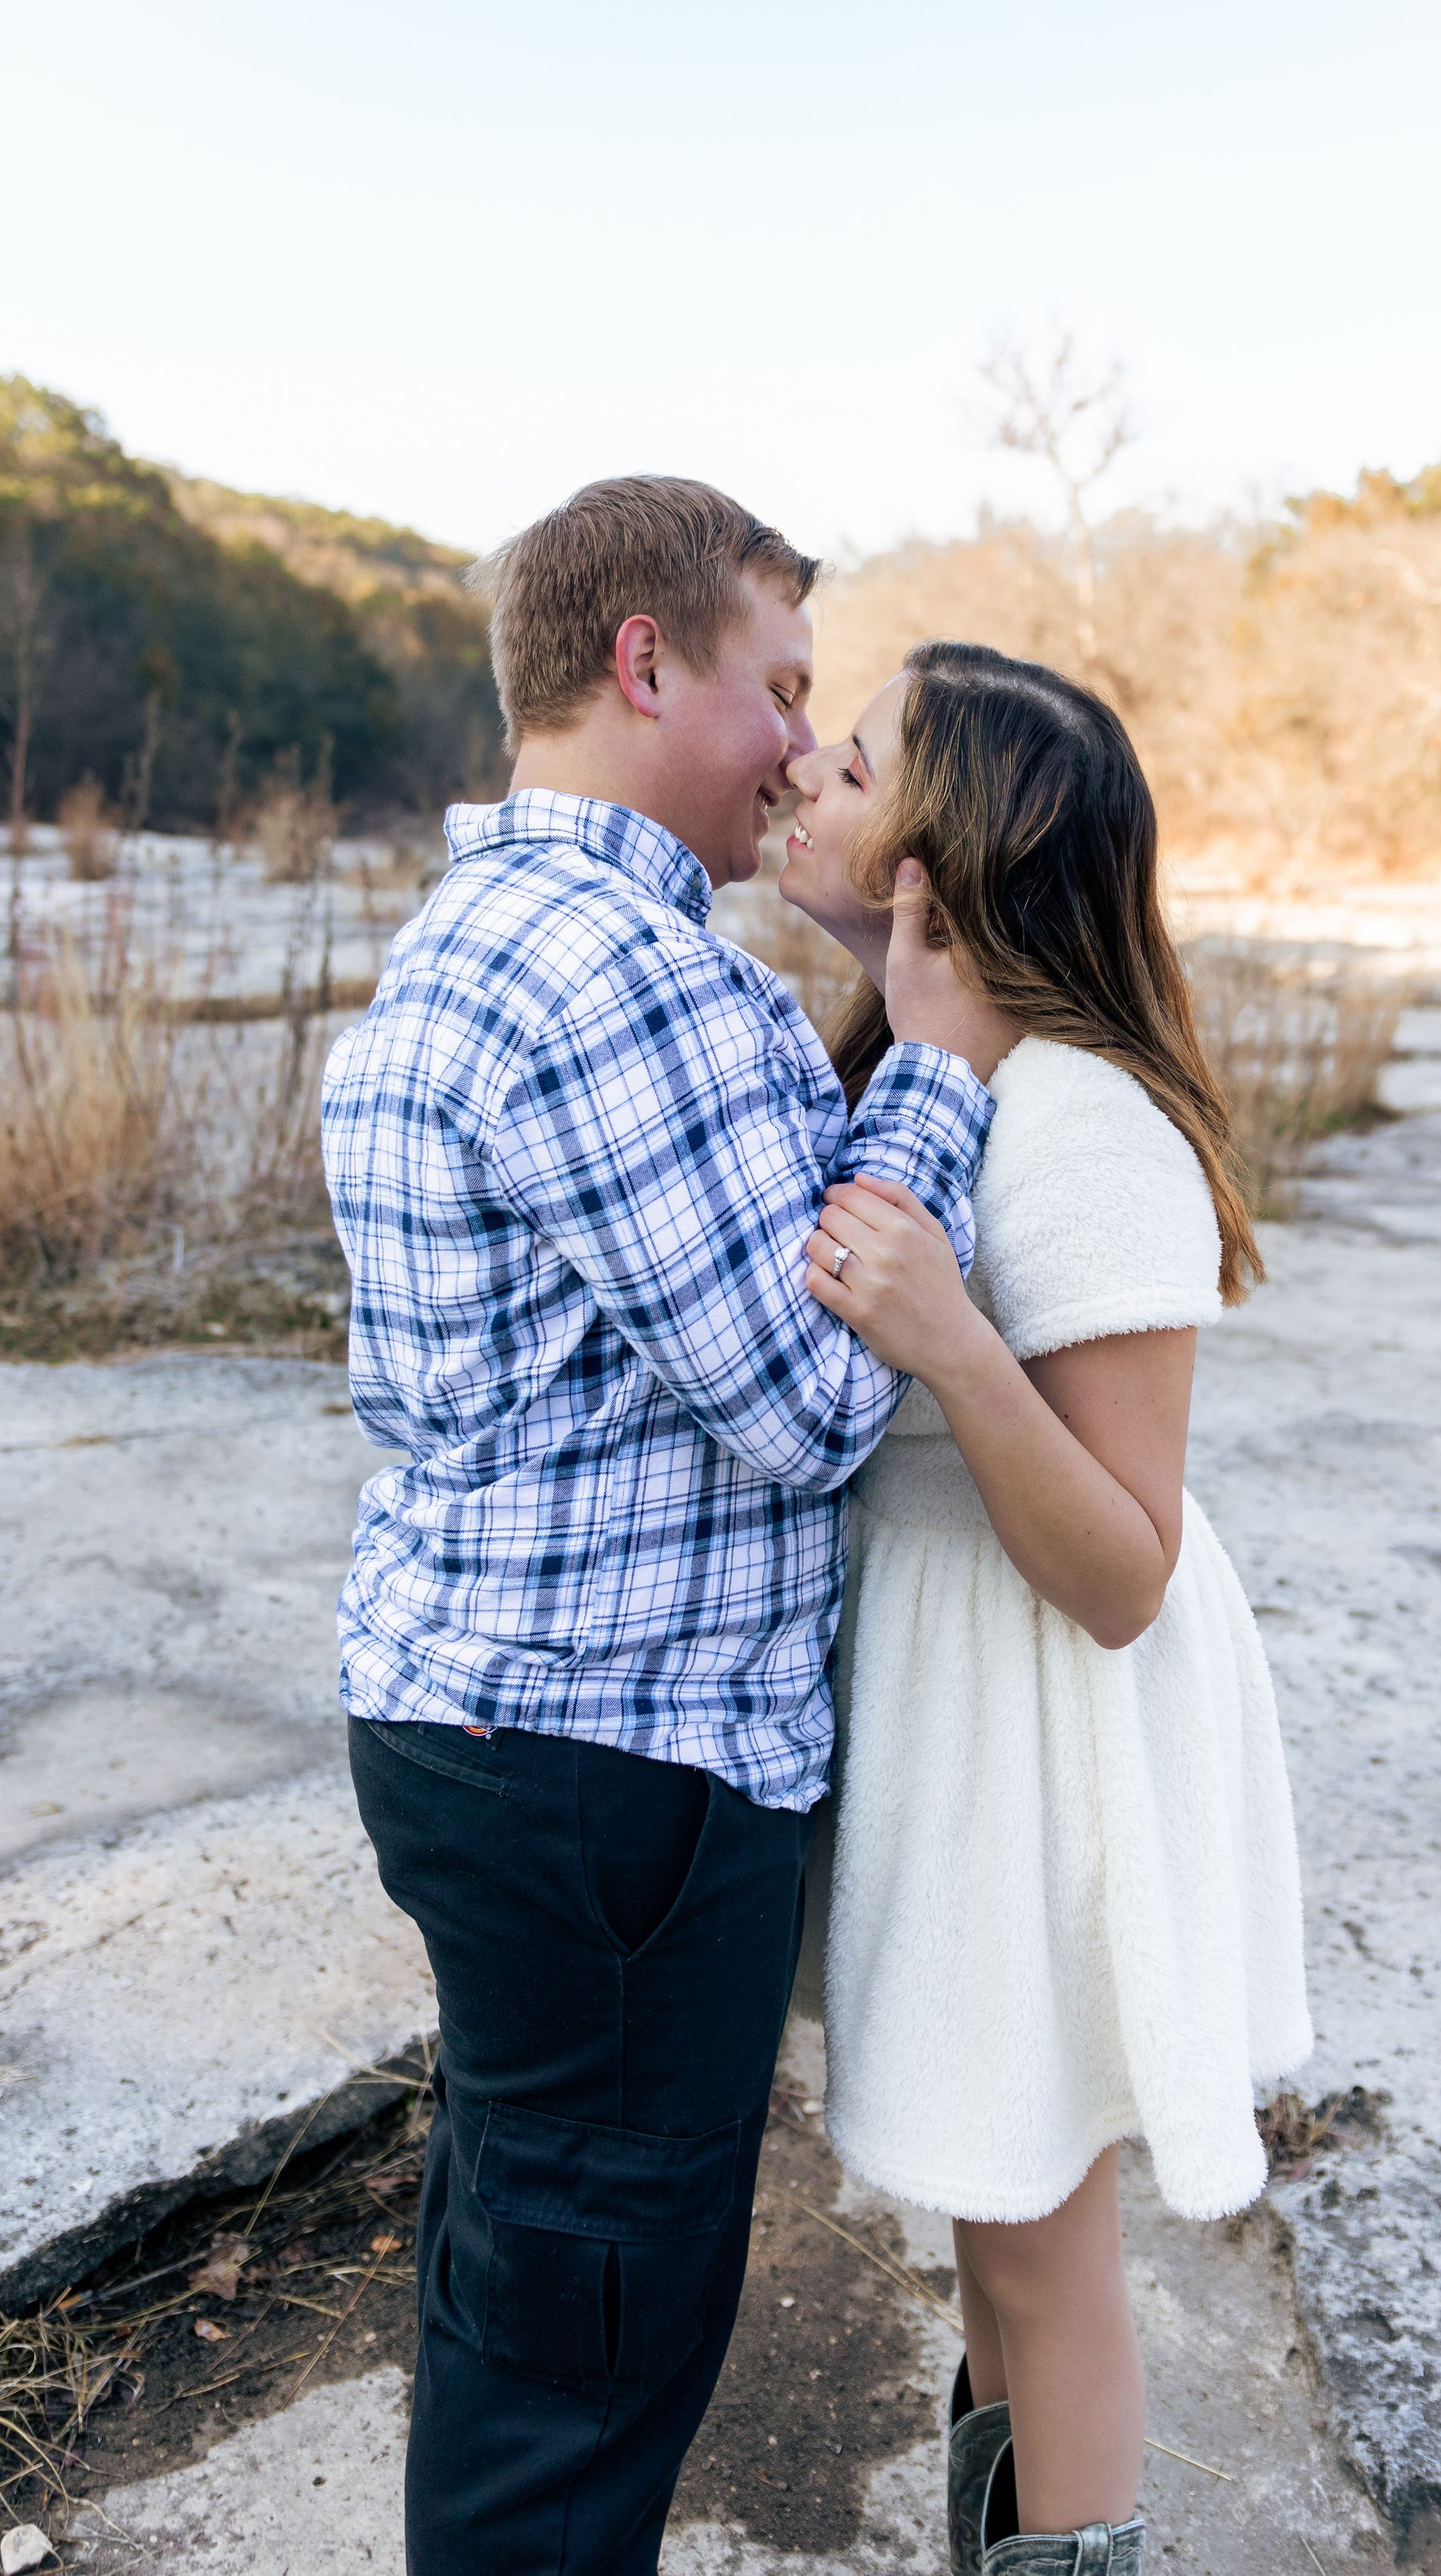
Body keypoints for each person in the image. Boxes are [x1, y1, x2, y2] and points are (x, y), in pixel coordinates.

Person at [321, 483, 1004, 2576]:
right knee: (585, 2368)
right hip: (611, 1770)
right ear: (642, 662)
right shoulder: (620, 973)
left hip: (498, 1736)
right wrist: (940, 1066)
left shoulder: (486, 939)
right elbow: (811, 1404)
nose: (803, 749)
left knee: (527, 2287)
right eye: (780, 689)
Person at [780, 641, 1312, 2576]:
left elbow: (1124, 1568)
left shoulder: (1081, 1121)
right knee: (987, 2214)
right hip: (960, 1702)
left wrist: (950, 1342)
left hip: (1049, 1722)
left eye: (856, 766)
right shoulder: (924, 1073)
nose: (806, 777)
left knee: (1040, 2237)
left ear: (949, 857)